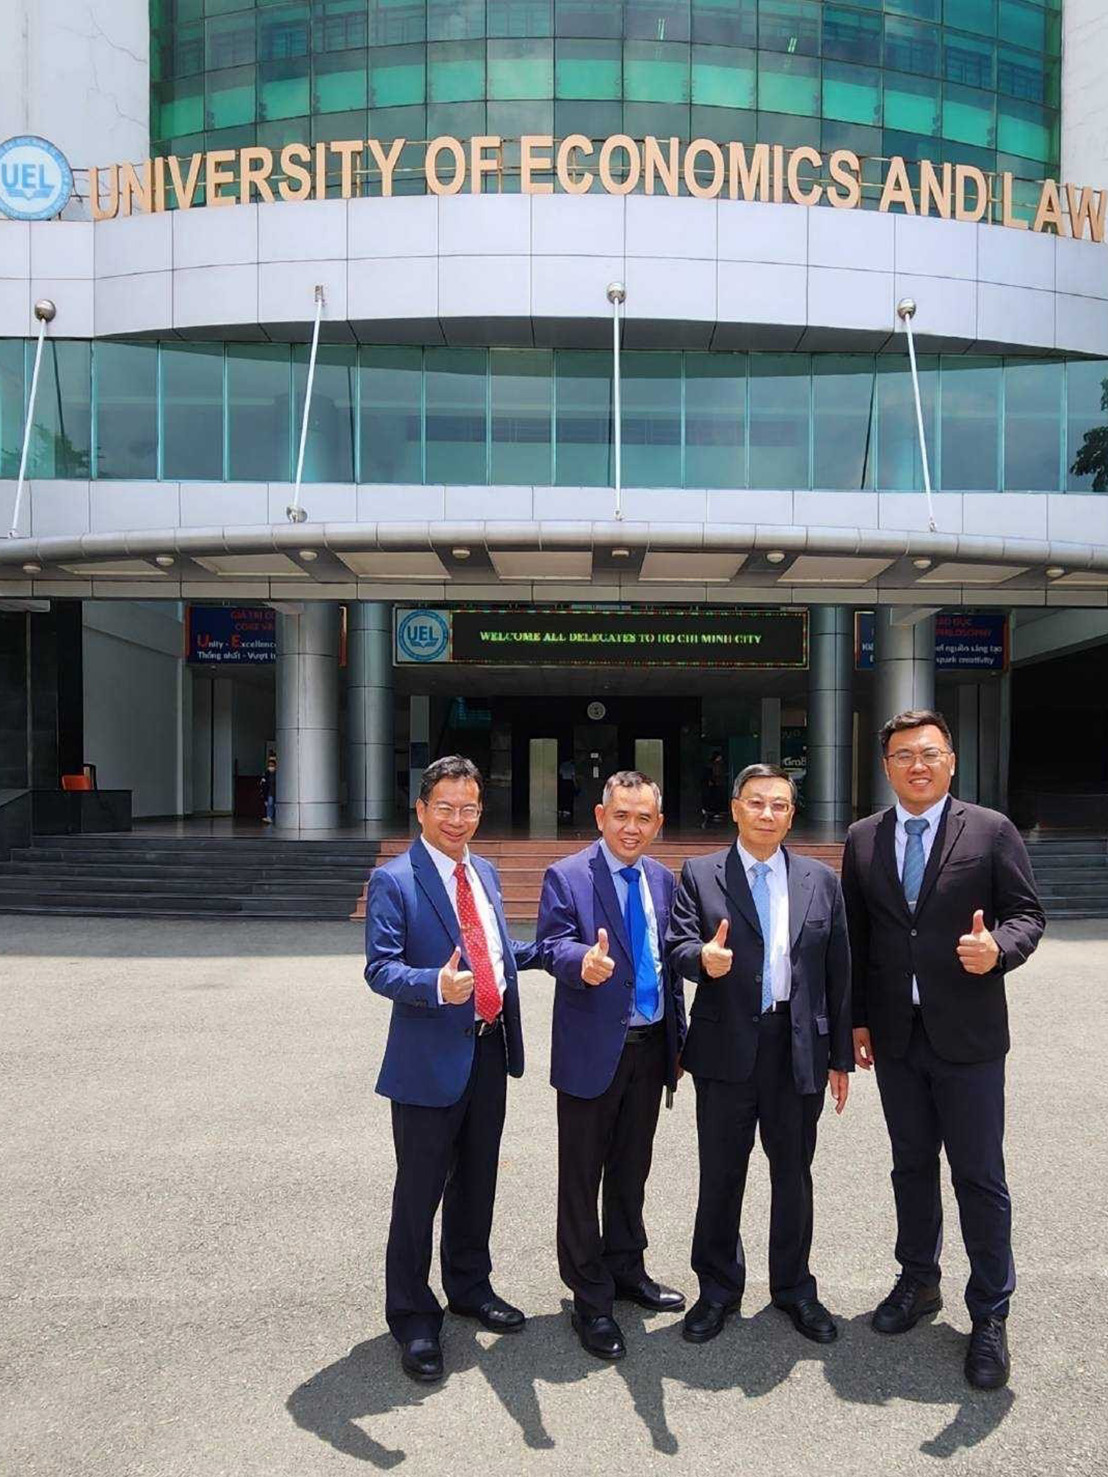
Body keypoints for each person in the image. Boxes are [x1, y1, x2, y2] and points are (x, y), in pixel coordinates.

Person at [841, 709, 1045, 1391]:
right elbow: (860, 937)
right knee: (910, 1166)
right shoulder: (864, 837)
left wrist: (999, 951)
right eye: (903, 755)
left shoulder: (990, 830)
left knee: (980, 1176)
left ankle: (990, 1310)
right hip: (897, 1037)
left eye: (929, 752)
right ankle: (918, 1280)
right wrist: (859, 1020)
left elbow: (1027, 914)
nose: (917, 764)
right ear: (888, 765)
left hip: (970, 1036)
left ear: (950, 760)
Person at [364, 755, 539, 1384]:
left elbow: (495, 948)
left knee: (476, 1182)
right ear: (421, 809)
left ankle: (469, 1285)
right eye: (445, 807)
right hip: (427, 1062)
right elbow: (380, 967)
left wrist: (551, 951)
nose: (458, 819)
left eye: (469, 808)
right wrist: (434, 985)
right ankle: (412, 1316)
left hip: (488, 1050)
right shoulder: (395, 880)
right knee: (419, 1194)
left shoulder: (484, 871)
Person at [666, 763, 852, 1347]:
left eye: (779, 805)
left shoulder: (821, 880)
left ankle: (794, 1286)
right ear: (736, 809)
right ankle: (717, 1288)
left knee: (793, 1173)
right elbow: (676, 945)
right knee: (721, 1173)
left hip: (798, 1049)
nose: (767, 813)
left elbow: (838, 972)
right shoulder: (700, 874)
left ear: (791, 815)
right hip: (725, 1049)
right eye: (757, 803)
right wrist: (702, 960)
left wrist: (840, 1055)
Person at [536, 771, 687, 1361]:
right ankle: (589, 1296)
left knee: (632, 1169)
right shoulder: (568, 875)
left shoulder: (661, 879)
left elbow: (668, 960)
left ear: (658, 824)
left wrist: (680, 1041)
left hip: (651, 1048)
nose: (632, 828)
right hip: (592, 1051)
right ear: (601, 817)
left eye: (643, 818)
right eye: (621, 816)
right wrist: (580, 962)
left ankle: (627, 1269)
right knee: (581, 1178)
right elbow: (551, 944)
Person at [260, 754, 277, 824]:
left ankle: (275, 817)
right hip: (270, 792)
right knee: (270, 804)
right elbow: (263, 784)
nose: (270, 767)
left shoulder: (278, 773)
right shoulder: (266, 774)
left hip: (277, 792)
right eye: (269, 766)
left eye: (272, 766)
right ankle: (269, 817)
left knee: (276, 805)